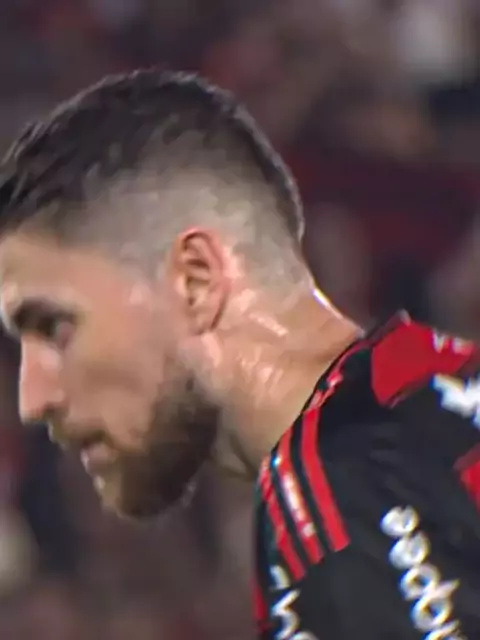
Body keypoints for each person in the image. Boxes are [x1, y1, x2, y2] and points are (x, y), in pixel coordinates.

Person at [0, 69, 479, 640]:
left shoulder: (339, 501)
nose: (32, 398)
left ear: (195, 280)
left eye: (55, 327)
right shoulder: (436, 398)